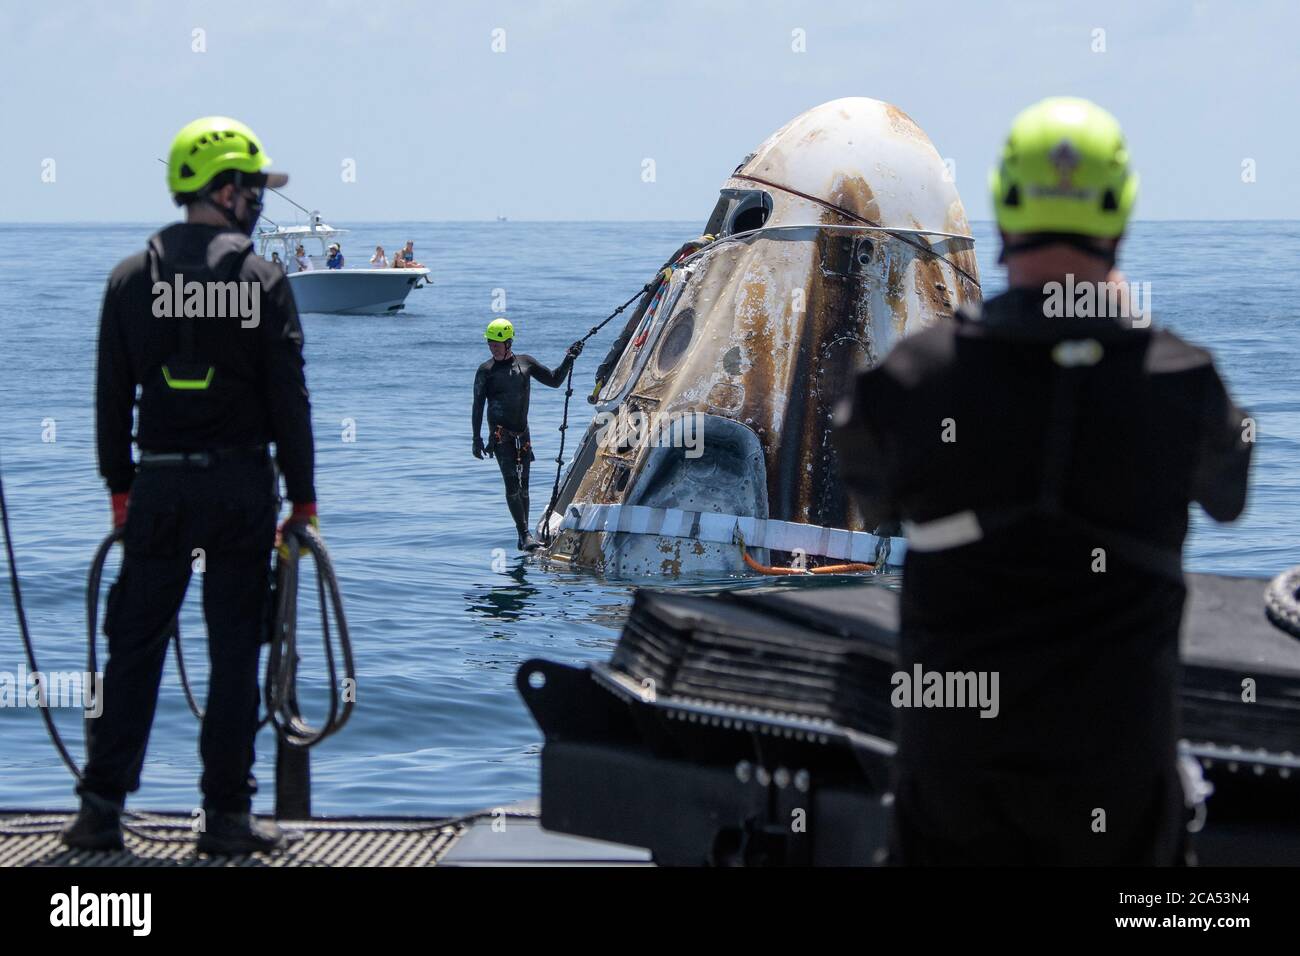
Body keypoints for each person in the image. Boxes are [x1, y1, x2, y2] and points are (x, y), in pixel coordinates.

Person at [832, 97, 1252, 866]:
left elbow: (874, 500)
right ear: (1120, 208)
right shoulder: (1184, 385)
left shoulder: (913, 382)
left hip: (954, 786)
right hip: (1119, 790)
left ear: (1003, 205)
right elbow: (1230, 497)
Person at [63, 116, 318, 856]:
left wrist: (120, 487)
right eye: (254, 189)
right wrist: (302, 502)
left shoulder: (128, 279)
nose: (260, 204)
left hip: (159, 487)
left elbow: (111, 398)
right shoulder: (262, 281)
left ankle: (100, 811)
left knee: (132, 650)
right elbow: (289, 402)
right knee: (236, 651)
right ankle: (227, 823)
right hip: (241, 489)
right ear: (226, 191)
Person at [472, 317, 583, 551]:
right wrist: (477, 438)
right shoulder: (485, 372)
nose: (493, 347)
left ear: (509, 343)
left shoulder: (526, 364)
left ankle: (525, 535)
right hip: (500, 436)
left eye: (497, 344)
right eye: (490, 343)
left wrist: (569, 359)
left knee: (524, 486)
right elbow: (477, 405)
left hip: (523, 435)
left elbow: (555, 381)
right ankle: (523, 534)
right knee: (512, 485)